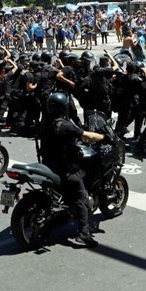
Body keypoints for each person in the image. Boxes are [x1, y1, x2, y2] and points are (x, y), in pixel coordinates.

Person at [38, 92, 105, 248]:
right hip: (64, 169)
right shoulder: (65, 125)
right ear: (63, 107)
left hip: (47, 165)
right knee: (82, 196)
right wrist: (104, 137)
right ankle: (83, 233)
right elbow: (87, 135)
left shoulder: (46, 122)